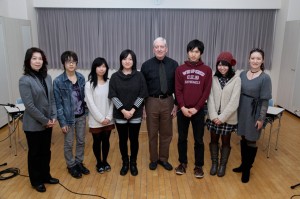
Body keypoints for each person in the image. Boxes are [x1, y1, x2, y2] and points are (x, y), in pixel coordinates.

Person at [19, 47, 59, 192]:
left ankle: (46, 175)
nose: (38, 61)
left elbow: (52, 99)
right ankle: (36, 181)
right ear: (28, 61)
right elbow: (29, 106)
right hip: (33, 125)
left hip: (48, 123)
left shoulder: (47, 77)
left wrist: (53, 116)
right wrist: (45, 120)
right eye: (34, 58)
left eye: (40, 58)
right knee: (35, 153)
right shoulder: (25, 80)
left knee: (46, 151)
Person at [233, 48, 272, 183]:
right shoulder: (242, 74)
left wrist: (261, 118)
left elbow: (265, 100)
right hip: (242, 110)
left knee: (251, 140)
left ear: (263, 61)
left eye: (258, 59)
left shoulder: (265, 78)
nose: (255, 61)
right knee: (244, 138)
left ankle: (248, 168)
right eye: (253, 58)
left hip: (254, 112)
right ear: (249, 59)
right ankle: (243, 164)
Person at [174, 39, 212, 178]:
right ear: (187, 52)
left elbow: (206, 92)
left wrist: (196, 108)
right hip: (182, 110)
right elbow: (178, 90)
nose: (194, 54)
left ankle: (198, 166)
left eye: (196, 51)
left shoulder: (207, 70)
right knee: (182, 138)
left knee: (199, 139)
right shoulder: (180, 69)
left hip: (198, 111)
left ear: (201, 53)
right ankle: (182, 163)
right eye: (191, 51)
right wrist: (182, 107)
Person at [141, 37, 179, 171]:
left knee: (166, 133)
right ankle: (154, 159)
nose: (159, 49)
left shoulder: (174, 65)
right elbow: (143, 87)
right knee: (152, 132)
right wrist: (143, 107)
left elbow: (178, 87)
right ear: (153, 49)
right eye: (156, 47)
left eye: (162, 47)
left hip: (168, 101)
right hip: (151, 101)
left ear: (166, 49)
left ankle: (163, 159)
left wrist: (176, 104)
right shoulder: (146, 65)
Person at [108, 49, 148, 176]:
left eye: (130, 59)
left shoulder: (139, 76)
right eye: (125, 58)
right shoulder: (114, 77)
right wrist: (124, 111)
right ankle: (125, 163)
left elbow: (142, 94)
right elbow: (113, 95)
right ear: (121, 60)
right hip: (120, 115)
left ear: (134, 61)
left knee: (134, 139)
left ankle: (133, 163)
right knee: (123, 140)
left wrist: (132, 110)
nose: (127, 61)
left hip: (135, 114)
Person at [53, 51, 90, 179]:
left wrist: (86, 113)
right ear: (63, 63)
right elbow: (58, 104)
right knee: (69, 143)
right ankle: (70, 165)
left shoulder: (81, 77)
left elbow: (85, 97)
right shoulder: (58, 81)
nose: (71, 64)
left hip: (81, 115)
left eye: (73, 61)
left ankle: (79, 162)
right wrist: (62, 122)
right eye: (68, 61)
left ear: (76, 63)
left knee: (81, 141)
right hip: (68, 119)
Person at [206, 52, 241, 177]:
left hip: (227, 118)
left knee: (226, 142)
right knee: (213, 140)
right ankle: (214, 163)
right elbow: (209, 98)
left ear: (230, 65)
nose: (222, 67)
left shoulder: (236, 80)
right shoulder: (213, 78)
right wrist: (214, 116)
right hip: (213, 117)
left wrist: (221, 118)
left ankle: (222, 165)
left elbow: (234, 102)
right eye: (219, 65)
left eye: (225, 65)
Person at [85, 57, 114, 174]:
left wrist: (108, 117)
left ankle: (105, 161)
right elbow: (90, 104)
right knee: (97, 141)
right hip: (96, 120)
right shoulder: (89, 84)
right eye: (99, 66)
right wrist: (101, 119)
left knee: (106, 140)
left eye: (104, 66)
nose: (101, 69)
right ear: (94, 68)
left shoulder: (109, 82)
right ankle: (98, 162)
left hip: (109, 118)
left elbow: (113, 101)